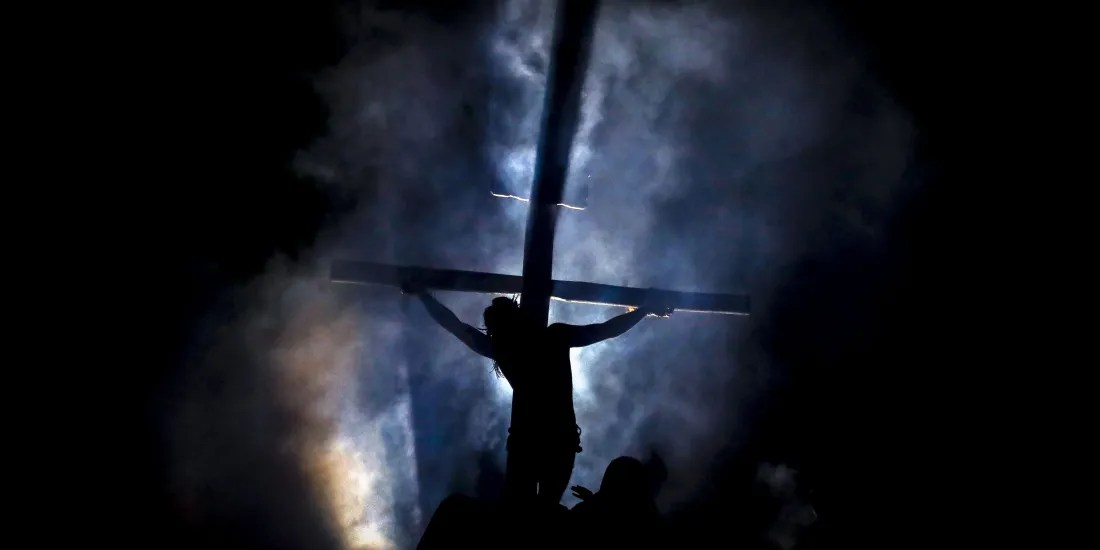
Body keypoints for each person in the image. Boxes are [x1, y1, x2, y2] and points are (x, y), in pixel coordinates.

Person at [402, 282, 671, 506]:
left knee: (526, 511)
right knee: (539, 509)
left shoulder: (505, 348)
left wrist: (424, 295)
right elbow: (605, 330)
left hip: (533, 439)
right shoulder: (550, 338)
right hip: (553, 439)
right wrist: (644, 310)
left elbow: (454, 325)